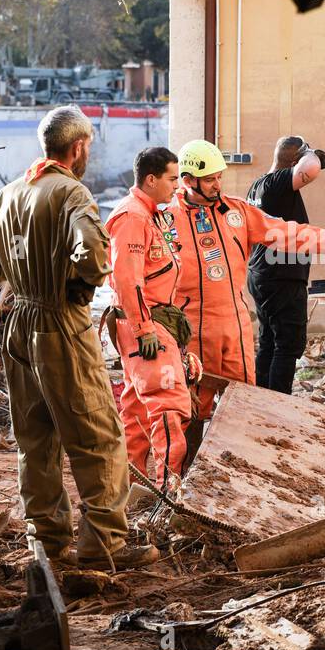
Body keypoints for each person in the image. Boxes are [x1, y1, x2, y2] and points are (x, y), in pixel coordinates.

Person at [0, 105, 157, 570]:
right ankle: (103, 544)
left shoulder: (13, 191)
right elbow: (93, 256)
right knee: (98, 436)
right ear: (79, 146)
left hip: (18, 323)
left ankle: (46, 544)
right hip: (61, 325)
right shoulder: (72, 193)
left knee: (36, 440)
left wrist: (13, 274)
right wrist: (76, 287)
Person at [170, 140, 325, 433]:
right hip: (191, 329)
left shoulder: (237, 212)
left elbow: (286, 232)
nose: (217, 185)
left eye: (219, 177)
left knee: (243, 400)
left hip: (234, 328)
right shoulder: (166, 219)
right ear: (187, 180)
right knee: (191, 406)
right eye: (209, 180)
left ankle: (247, 456)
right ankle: (187, 469)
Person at [101, 147, 201, 494]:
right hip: (145, 327)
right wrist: (145, 330)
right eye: (173, 179)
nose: (178, 186)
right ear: (151, 179)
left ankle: (127, 492)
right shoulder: (132, 218)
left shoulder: (151, 214)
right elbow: (127, 280)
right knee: (169, 408)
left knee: (137, 412)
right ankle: (167, 493)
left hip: (152, 323)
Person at [246, 135, 325, 393]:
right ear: (294, 159)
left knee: (270, 341)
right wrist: (313, 153)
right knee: (288, 345)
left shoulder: (258, 185)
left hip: (264, 274)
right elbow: (310, 168)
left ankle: (260, 400)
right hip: (281, 277)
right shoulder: (277, 182)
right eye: (303, 154)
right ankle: (277, 404)